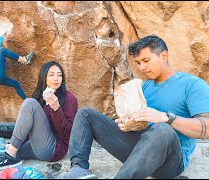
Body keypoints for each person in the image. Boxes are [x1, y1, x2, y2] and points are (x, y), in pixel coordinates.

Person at [57, 35, 209, 179]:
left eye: (146, 60)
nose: (142, 67)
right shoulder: (145, 87)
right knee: (86, 114)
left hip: (170, 162)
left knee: (162, 129)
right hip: (140, 151)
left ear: (163, 56)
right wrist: (127, 124)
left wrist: (166, 118)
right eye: (138, 63)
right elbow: (141, 123)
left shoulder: (192, 85)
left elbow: (207, 128)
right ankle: (79, 169)